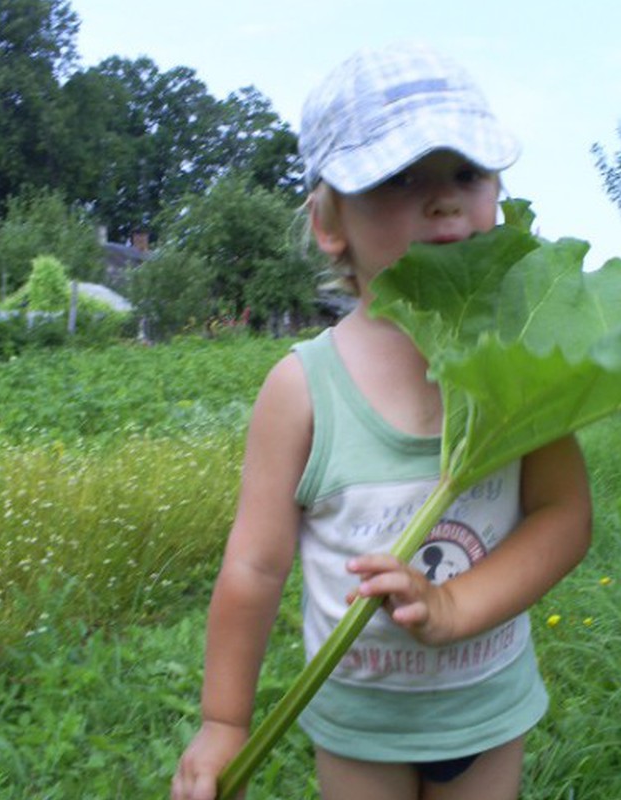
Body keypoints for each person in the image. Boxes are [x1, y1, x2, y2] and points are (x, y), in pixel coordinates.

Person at [171, 42, 592, 800]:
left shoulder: (524, 361)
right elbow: (254, 567)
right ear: (329, 220)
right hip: (359, 723)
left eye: (467, 172)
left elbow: (563, 516)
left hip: (487, 708)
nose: (442, 200)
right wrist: (226, 721)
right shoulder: (302, 388)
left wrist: (454, 604)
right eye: (399, 179)